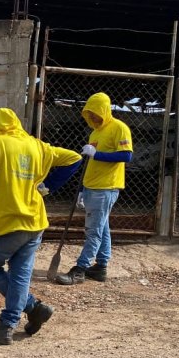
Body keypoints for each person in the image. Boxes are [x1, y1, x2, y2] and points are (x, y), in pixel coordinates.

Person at [0, 107, 82, 345]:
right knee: (20, 275)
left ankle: (31, 307)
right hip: (35, 221)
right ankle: (11, 323)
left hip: (7, 222)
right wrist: (46, 187)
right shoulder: (38, 145)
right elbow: (75, 158)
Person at [55, 92, 133, 285]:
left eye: (95, 113)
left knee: (93, 231)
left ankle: (80, 269)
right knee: (102, 228)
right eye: (88, 114)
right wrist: (82, 188)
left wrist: (97, 154)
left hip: (106, 187)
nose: (92, 117)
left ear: (104, 110)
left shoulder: (119, 128)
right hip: (91, 186)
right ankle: (100, 267)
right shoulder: (94, 132)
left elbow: (126, 156)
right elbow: (90, 163)